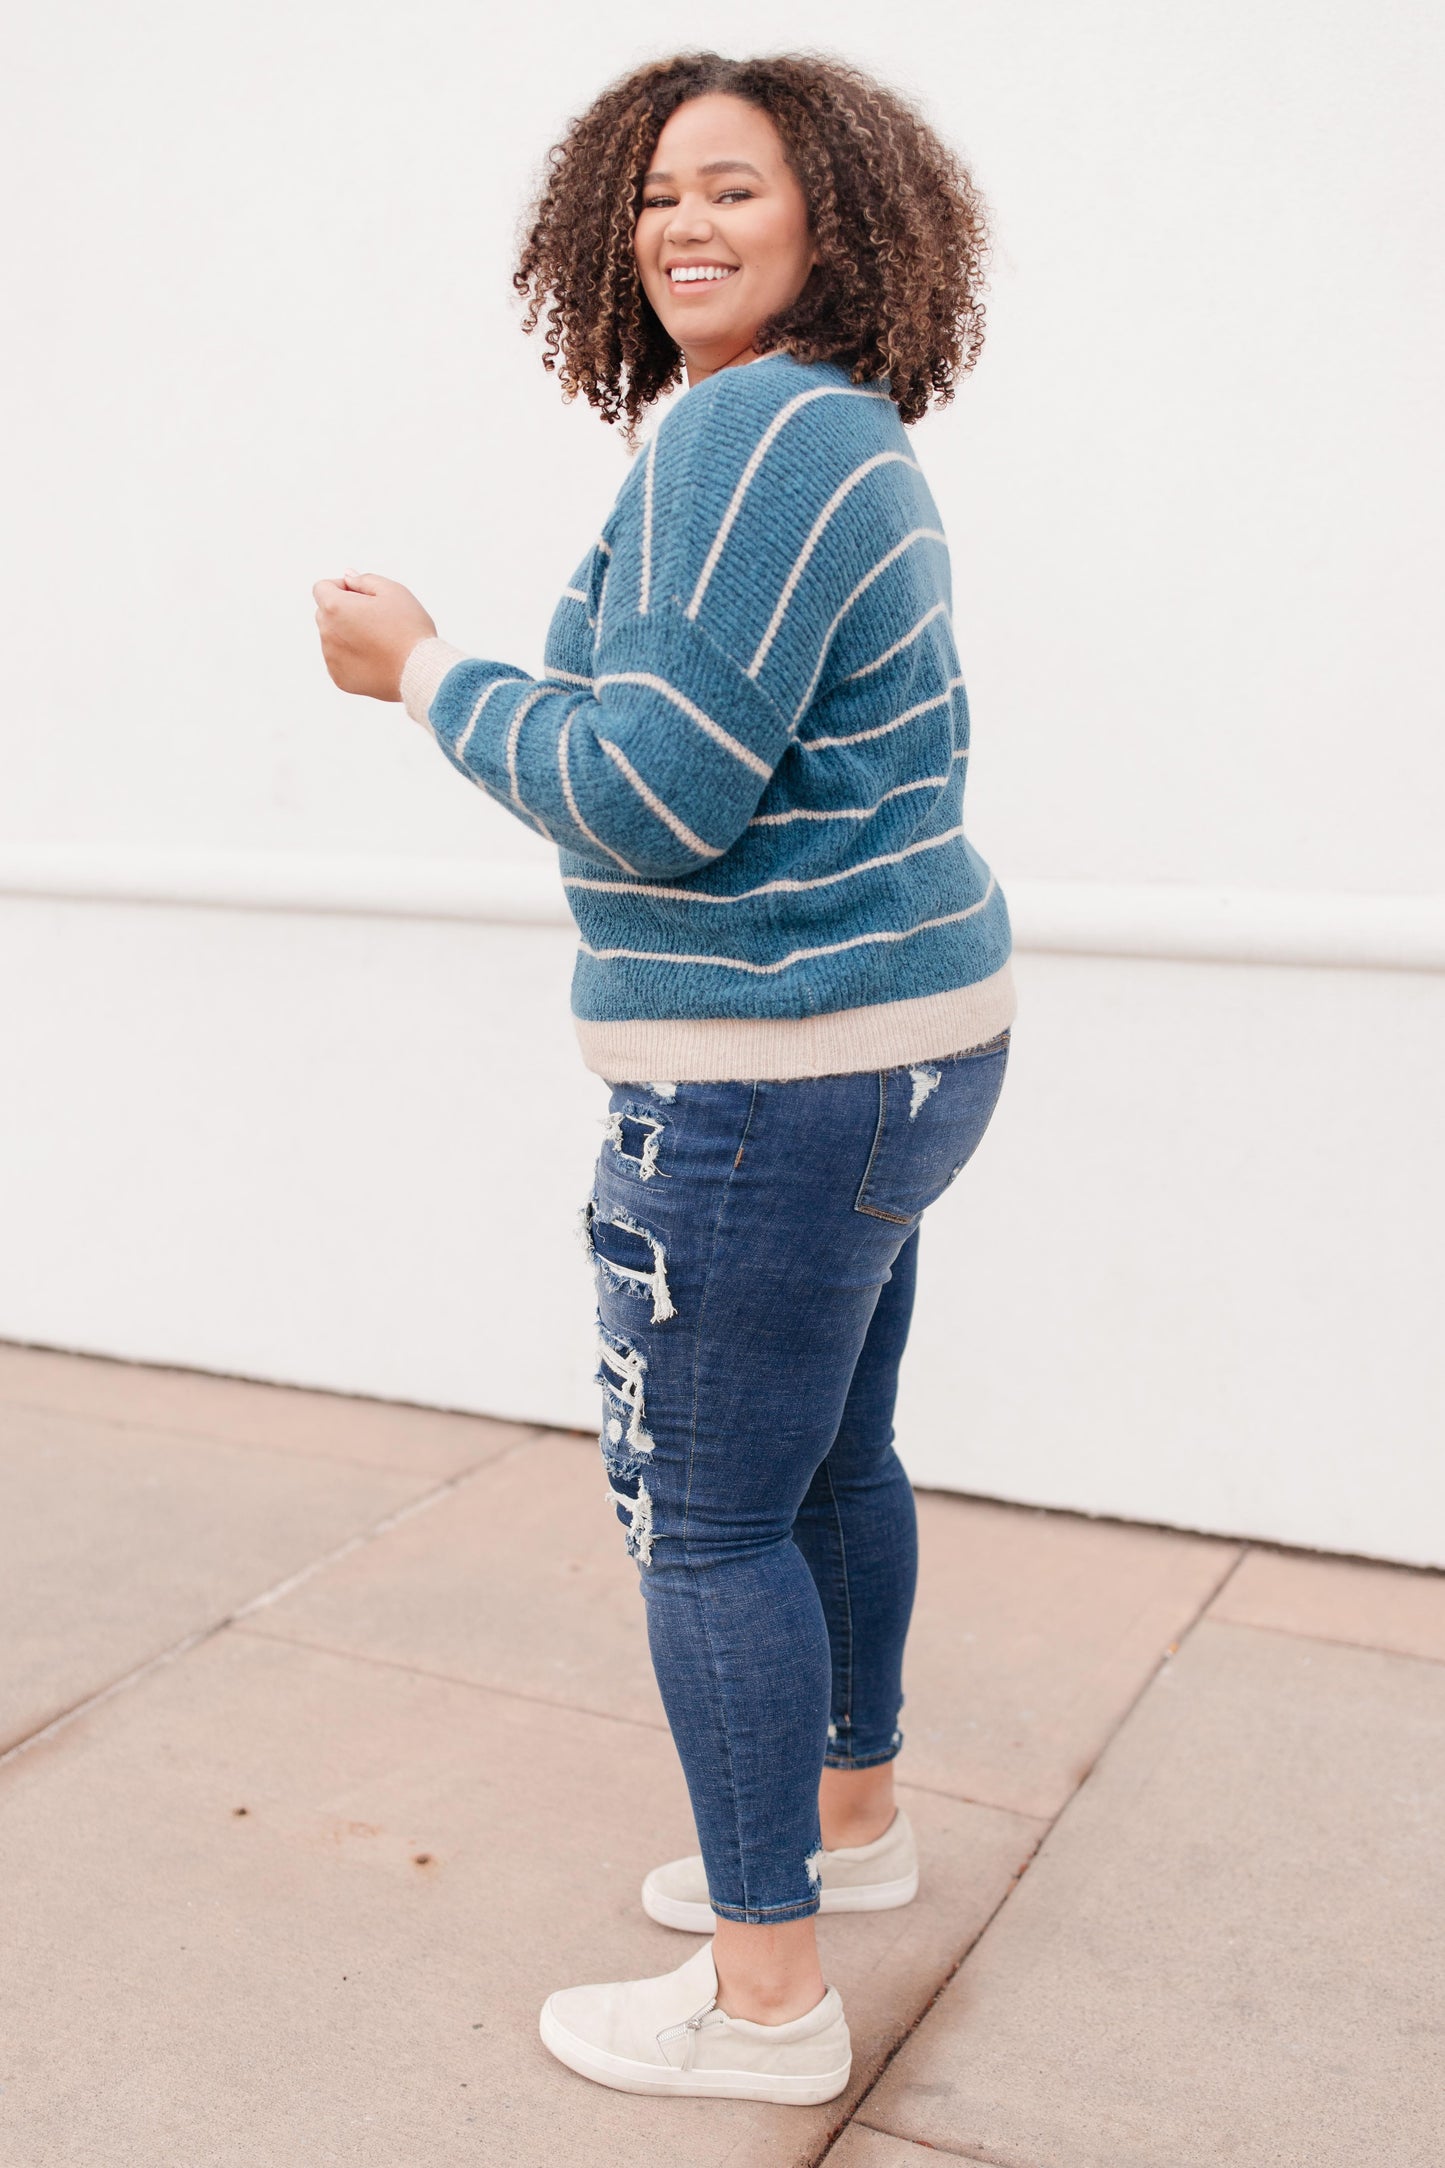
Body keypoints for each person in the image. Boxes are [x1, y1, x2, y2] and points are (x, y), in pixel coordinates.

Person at [314, 48, 1014, 2109]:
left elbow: (653, 793)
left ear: (835, 220)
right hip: (902, 1046)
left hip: (768, 1079)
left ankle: (764, 2004)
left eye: (735, 187)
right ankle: (849, 1824)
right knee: (833, 1465)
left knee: (706, 1525)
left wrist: (423, 671)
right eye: (655, 196)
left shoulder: (747, 434)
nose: (684, 226)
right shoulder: (832, 426)